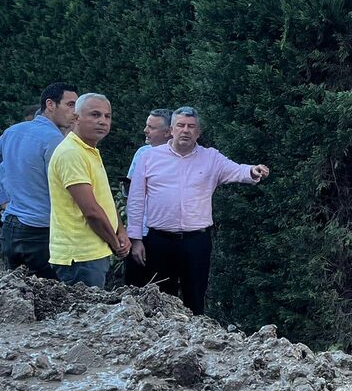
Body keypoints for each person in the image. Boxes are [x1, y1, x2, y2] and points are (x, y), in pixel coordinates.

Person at [126, 106, 269, 314]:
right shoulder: (149, 158)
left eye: (191, 126)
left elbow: (236, 170)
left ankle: (195, 343)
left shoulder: (211, 158)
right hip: (159, 242)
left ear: (198, 132)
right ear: (171, 130)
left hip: (196, 242)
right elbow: (136, 199)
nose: (186, 130)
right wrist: (136, 239)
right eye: (181, 125)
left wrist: (252, 171)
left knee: (195, 297)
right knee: (160, 300)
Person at [0, 82, 77, 278]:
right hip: (41, 231)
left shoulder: (14, 131)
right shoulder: (55, 140)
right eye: (70, 105)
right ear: (50, 104)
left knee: (14, 295)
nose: (75, 112)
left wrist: (2, 201)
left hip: (10, 226)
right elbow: (65, 188)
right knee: (51, 299)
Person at [47, 93, 129, 288]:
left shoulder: (87, 150)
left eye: (107, 116)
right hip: (80, 256)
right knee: (83, 316)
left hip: (92, 253)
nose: (102, 121)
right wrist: (115, 243)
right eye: (95, 115)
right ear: (76, 118)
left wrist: (121, 230)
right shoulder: (72, 153)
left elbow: (103, 198)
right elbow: (91, 211)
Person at [122, 108, 173, 287]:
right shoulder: (142, 153)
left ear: (168, 132)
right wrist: (134, 238)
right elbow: (131, 194)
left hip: (166, 238)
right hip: (140, 234)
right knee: (132, 288)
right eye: (146, 125)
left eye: (151, 127)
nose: (145, 130)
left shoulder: (183, 158)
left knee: (164, 290)